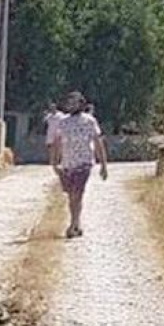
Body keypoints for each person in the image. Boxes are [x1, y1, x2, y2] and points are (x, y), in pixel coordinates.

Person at [49, 91, 108, 239]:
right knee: (71, 196)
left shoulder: (89, 121)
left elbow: (98, 142)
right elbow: (57, 144)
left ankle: (73, 224)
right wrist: (54, 163)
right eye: (70, 102)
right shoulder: (63, 123)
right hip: (68, 164)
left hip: (84, 163)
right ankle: (76, 222)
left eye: (75, 102)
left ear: (81, 104)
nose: (72, 105)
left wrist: (103, 165)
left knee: (78, 194)